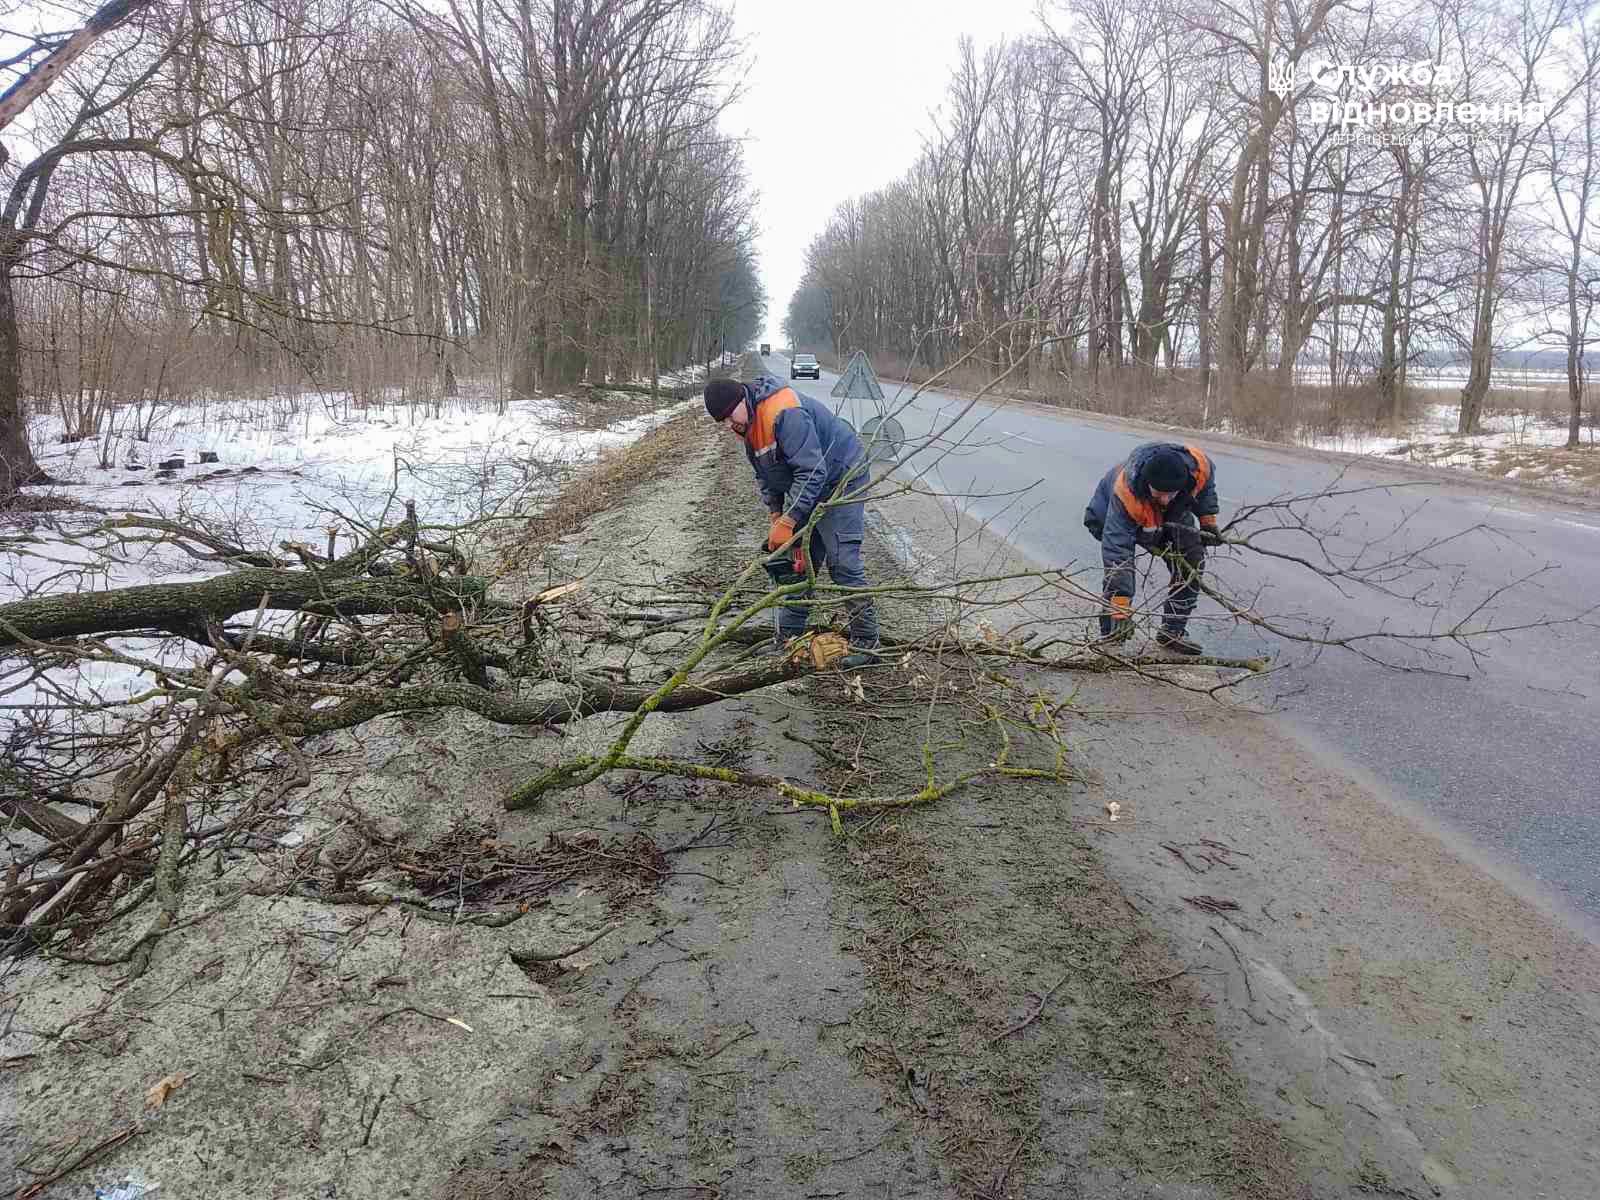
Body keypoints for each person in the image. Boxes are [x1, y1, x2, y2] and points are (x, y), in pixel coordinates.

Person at [704, 374, 879, 663]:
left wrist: (789, 521)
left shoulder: (784, 412)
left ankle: (866, 642)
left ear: (741, 401)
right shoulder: (749, 426)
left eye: (728, 416)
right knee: (797, 563)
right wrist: (776, 515)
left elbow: (812, 471)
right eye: (721, 421)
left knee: (842, 562)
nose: (728, 424)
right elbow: (767, 476)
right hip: (808, 485)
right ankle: (788, 636)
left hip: (841, 478)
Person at [1082, 442, 1223, 656]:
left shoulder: (1199, 467)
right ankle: (1111, 634)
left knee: (1191, 559)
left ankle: (1172, 630)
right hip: (1107, 516)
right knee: (1119, 571)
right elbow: (1117, 555)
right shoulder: (1126, 494)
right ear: (1148, 483)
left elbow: (1206, 489)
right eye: (1159, 493)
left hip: (1171, 516)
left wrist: (1207, 520)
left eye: (1170, 493)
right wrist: (1121, 606)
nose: (1165, 499)